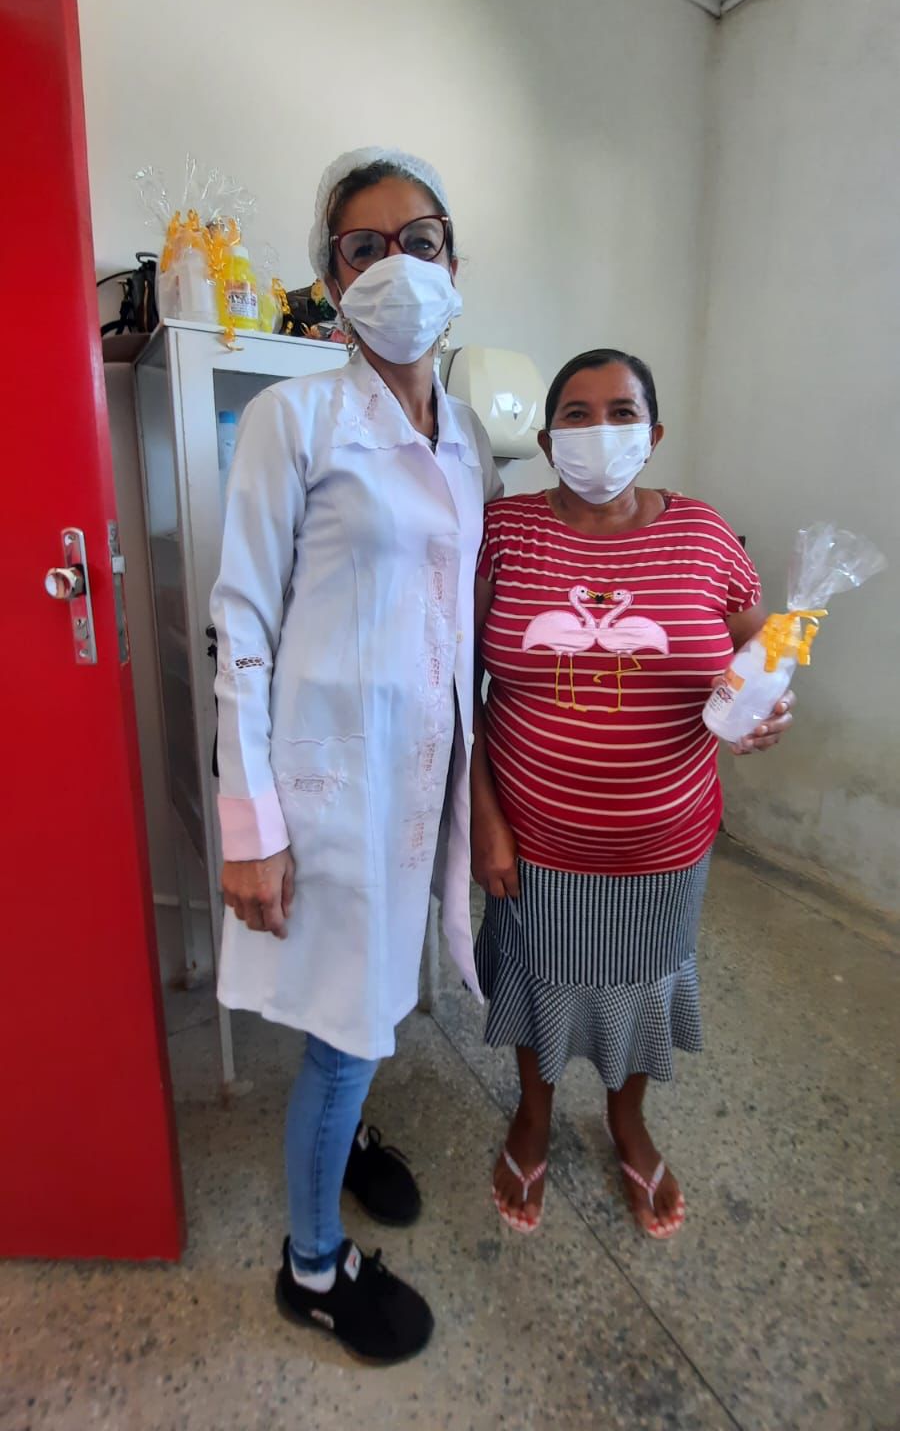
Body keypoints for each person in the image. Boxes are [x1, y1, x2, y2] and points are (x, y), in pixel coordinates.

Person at [210, 147, 501, 1363]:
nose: (395, 265)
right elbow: (242, 623)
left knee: (367, 1001)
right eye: (363, 247)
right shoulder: (296, 419)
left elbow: (465, 625)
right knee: (346, 1031)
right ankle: (313, 1266)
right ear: (332, 282)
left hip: (418, 778)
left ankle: (349, 1135)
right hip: (329, 787)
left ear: (453, 262)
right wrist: (250, 827)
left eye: (417, 241)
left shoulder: (467, 438)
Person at [471, 349, 794, 1238]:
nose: (599, 430)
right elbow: (458, 686)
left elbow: (755, 650)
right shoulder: (503, 533)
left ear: (652, 435)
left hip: (666, 843)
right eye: (576, 414)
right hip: (532, 841)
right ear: (546, 441)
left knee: (643, 989)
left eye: (621, 412)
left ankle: (628, 1121)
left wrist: (766, 704)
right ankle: (532, 1116)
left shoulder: (704, 534)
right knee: (537, 982)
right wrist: (484, 819)